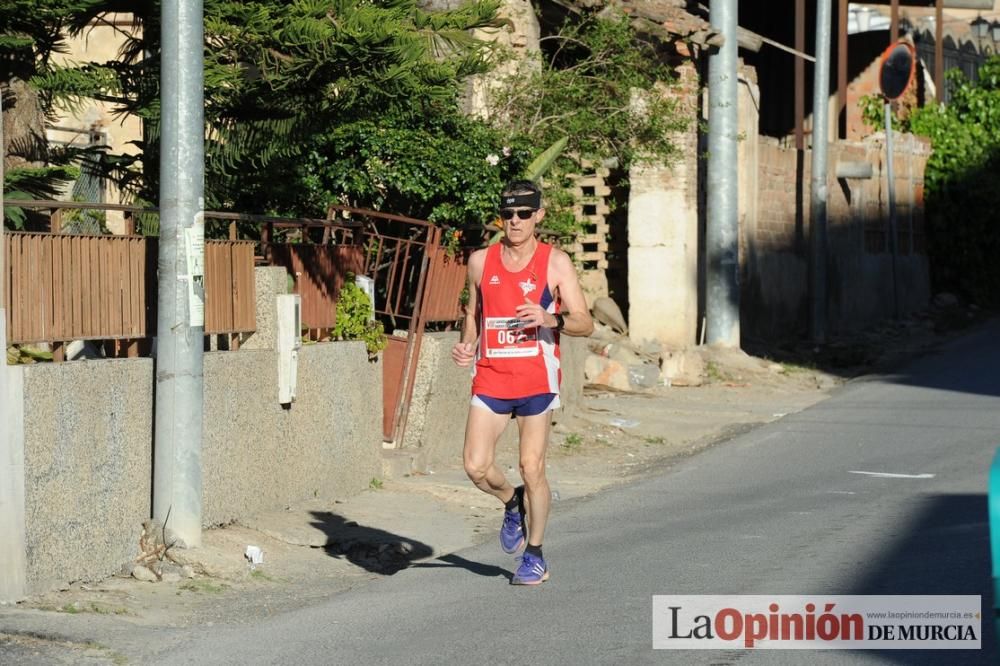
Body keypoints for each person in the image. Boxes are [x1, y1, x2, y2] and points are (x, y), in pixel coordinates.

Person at [451, 179, 594, 585]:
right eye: (508, 214)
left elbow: (586, 322)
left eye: (524, 214)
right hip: (492, 377)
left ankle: (535, 555)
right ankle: (511, 501)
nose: (515, 222)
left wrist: (552, 319)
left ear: (538, 217)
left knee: (532, 467)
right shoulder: (480, 261)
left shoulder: (555, 262)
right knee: (476, 466)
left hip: (536, 378)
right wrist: (467, 345)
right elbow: (473, 316)